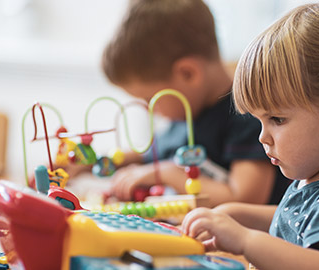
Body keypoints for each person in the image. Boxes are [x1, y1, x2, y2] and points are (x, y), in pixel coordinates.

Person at [181, 3, 319, 270]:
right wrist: (236, 214)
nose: (263, 138)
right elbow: (301, 220)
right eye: (259, 121)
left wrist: (247, 240)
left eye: (277, 119)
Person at [98, 0, 289, 207]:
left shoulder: (248, 115)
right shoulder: (183, 115)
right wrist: (91, 162)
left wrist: (167, 173)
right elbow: (144, 156)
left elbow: (244, 198)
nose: (149, 109)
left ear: (187, 74)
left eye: (149, 99)